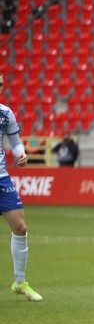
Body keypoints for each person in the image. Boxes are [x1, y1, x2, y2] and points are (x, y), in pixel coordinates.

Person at [0, 72, 42, 301]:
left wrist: (21, 153)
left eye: (0, 84)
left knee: (21, 228)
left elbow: (15, 142)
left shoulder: (5, 114)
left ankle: (19, 282)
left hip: (1, 178)